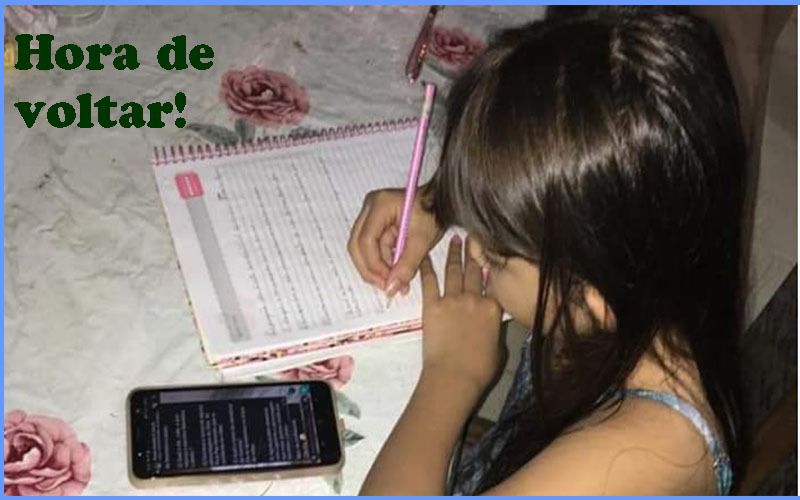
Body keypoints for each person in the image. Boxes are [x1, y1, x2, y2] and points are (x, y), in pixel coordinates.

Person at [350, 7, 746, 495]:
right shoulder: (652, 251)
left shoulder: (646, 456)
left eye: (497, 256)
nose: (476, 251)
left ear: (594, 296)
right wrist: (444, 198)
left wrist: (450, 376)